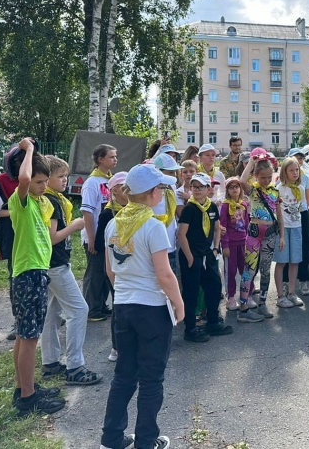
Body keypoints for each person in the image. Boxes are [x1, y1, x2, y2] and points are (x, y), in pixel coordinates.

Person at [100, 164, 185, 449]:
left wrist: (123, 291)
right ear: (151, 194)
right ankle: (147, 441)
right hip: (151, 309)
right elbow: (164, 274)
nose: (163, 192)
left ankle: (111, 439)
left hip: (123, 307)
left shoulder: (114, 224)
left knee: (124, 375)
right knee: (151, 379)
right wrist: (178, 302)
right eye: (161, 188)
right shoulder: (153, 226)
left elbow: (111, 270)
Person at [8, 138, 67, 414]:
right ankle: (29, 398)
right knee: (30, 337)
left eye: (45, 181)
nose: (43, 186)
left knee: (24, 335)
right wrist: (29, 150)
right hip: (28, 274)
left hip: (35, 273)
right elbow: (23, 178)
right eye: (38, 181)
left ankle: (23, 387)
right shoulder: (21, 202)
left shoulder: (40, 203)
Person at [39, 156, 103, 386]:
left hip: (48, 264)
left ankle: (50, 362)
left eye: (66, 176)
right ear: (46, 179)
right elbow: (52, 237)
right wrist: (75, 226)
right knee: (79, 309)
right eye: (60, 176)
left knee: (51, 313)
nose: (65, 180)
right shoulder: (52, 202)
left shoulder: (49, 199)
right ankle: (75, 366)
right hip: (55, 264)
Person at [177, 173, 234, 342]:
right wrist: (189, 258)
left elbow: (217, 228)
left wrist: (215, 249)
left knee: (214, 287)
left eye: (201, 187)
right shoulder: (190, 208)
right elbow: (182, 235)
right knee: (191, 292)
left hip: (207, 254)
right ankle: (190, 329)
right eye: (194, 187)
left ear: (209, 189)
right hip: (192, 255)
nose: (197, 190)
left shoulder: (211, 207)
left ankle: (213, 322)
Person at [239, 153, 285, 318]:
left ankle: (262, 303)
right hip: (254, 234)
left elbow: (279, 217)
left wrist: (282, 236)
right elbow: (242, 181)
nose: (266, 180)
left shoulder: (274, 192)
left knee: (265, 270)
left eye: (269, 177)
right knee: (250, 269)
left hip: (271, 235)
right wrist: (251, 162)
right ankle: (243, 307)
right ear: (256, 176)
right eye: (262, 177)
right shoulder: (253, 190)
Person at [81, 144, 119, 321]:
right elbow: (88, 211)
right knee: (95, 273)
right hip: (95, 235)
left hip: (107, 235)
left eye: (115, 156)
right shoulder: (92, 182)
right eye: (111, 157)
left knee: (106, 272)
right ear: (100, 159)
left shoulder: (110, 180)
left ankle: (101, 305)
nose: (115, 159)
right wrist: (91, 237)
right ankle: (91, 309)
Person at [95, 171, 129, 363]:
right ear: (114, 190)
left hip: (130, 263)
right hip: (115, 265)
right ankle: (116, 346)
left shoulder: (133, 209)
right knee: (118, 305)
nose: (128, 191)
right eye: (124, 187)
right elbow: (101, 244)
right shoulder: (108, 213)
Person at [221, 177, 263, 322]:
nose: (234, 189)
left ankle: (248, 295)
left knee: (246, 270)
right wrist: (224, 245)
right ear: (227, 190)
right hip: (231, 244)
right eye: (231, 187)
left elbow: (246, 225)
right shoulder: (225, 206)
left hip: (243, 243)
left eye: (237, 186)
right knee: (230, 272)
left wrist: (248, 241)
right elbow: (223, 227)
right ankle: (231, 296)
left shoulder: (244, 204)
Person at [272, 157, 306, 309]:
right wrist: (281, 233)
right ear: (284, 172)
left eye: (297, 170)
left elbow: (301, 209)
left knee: (295, 261)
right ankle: (280, 295)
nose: (295, 173)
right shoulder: (279, 189)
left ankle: (292, 292)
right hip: (283, 229)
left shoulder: (300, 188)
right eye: (291, 170)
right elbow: (276, 211)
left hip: (296, 227)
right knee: (282, 262)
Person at [0, 145, 21, 340]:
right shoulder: (1, 181)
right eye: (18, 161)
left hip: (37, 234)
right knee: (16, 276)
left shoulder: (40, 176)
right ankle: (18, 320)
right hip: (13, 235)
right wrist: (21, 213)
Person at [284, 147, 309, 297]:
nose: (299, 162)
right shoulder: (282, 182)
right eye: (296, 158)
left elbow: (305, 202)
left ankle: (303, 280)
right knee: (285, 251)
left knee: (303, 248)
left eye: (301, 159)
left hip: (300, 216)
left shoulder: (305, 180)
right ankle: (284, 282)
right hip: (286, 219)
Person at [152, 154, 183, 284]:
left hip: (171, 242)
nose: (174, 176)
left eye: (175, 172)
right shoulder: (151, 190)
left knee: (173, 279)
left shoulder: (171, 187)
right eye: (170, 172)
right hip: (156, 243)